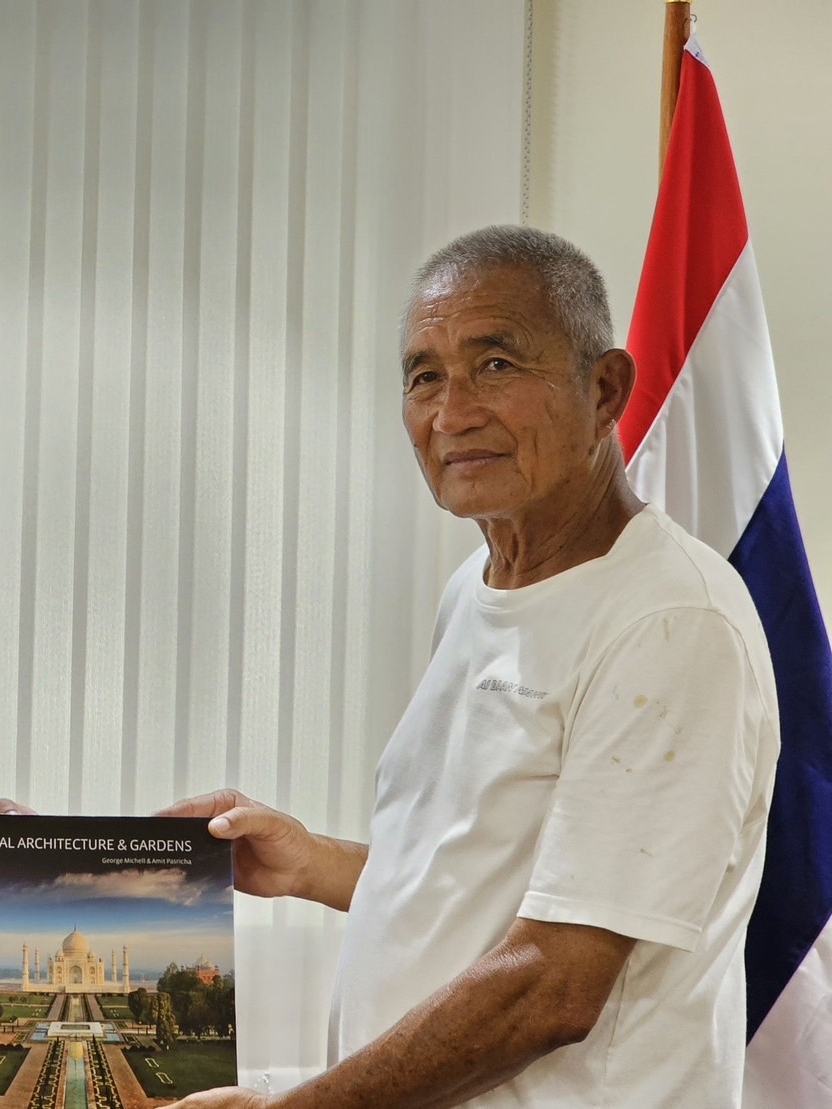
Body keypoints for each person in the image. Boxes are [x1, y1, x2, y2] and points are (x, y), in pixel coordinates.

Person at [163, 226, 779, 1107]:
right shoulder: (475, 587)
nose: (451, 413)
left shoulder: (669, 621)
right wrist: (308, 864)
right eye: (423, 376)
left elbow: (551, 986)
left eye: (494, 366)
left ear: (604, 388)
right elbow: (482, 879)